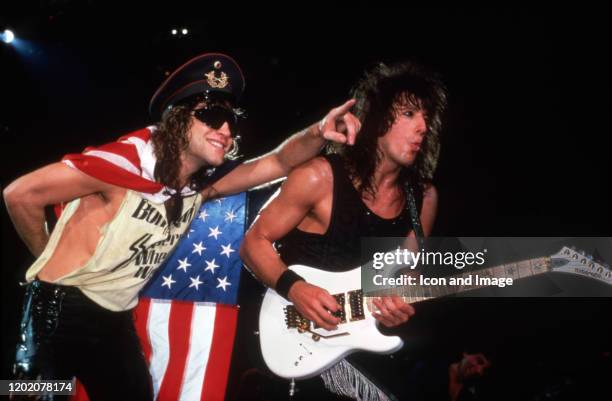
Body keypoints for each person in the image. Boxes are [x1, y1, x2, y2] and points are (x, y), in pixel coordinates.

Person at [3, 53, 360, 401]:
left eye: (231, 120)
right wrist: (48, 262)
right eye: (212, 116)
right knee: (29, 393)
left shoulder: (198, 186)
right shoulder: (124, 164)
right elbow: (19, 195)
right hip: (58, 312)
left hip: (113, 321)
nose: (225, 130)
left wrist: (319, 132)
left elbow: (279, 161)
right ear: (176, 119)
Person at [240, 60, 448, 400]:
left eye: (427, 118)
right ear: (376, 118)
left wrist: (399, 304)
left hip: (364, 351)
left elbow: (406, 274)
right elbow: (253, 243)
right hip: (295, 341)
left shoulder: (422, 197)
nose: (423, 127)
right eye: (409, 114)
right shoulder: (318, 176)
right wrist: (295, 289)